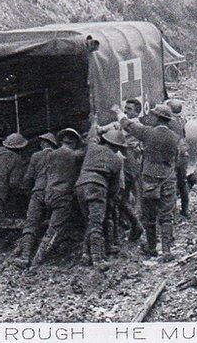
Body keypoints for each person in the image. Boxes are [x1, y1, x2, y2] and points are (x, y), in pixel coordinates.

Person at [112, 103, 180, 262]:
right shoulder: (174, 137)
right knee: (166, 215)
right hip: (168, 178)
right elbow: (176, 158)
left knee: (149, 215)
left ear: (157, 117)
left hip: (149, 178)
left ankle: (151, 247)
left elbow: (127, 125)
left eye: (154, 115)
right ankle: (167, 250)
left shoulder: (148, 133)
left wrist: (119, 112)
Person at [74, 129, 127, 271]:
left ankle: (86, 254)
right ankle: (98, 259)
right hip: (97, 187)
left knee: (90, 221)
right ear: (116, 146)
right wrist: (109, 200)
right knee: (96, 222)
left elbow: (91, 137)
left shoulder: (92, 147)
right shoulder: (116, 160)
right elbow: (114, 188)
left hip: (80, 186)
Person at [33, 128, 86, 265]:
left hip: (48, 194)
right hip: (62, 196)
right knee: (54, 230)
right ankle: (37, 261)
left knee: (51, 223)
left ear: (61, 141)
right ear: (74, 143)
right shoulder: (74, 155)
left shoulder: (51, 154)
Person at [96, 99, 144, 242]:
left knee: (124, 192)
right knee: (121, 194)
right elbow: (105, 128)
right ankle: (129, 222)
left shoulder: (137, 125)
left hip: (130, 160)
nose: (127, 111)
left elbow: (123, 127)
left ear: (136, 111)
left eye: (130, 109)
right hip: (123, 160)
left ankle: (133, 223)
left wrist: (118, 113)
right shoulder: (122, 124)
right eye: (126, 108)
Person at [15, 132, 59, 268]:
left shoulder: (36, 156)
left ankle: (25, 257)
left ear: (44, 143)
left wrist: (25, 189)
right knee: (53, 224)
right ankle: (42, 258)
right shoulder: (60, 155)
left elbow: (28, 177)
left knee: (31, 223)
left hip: (38, 191)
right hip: (54, 192)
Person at [164, 99, 191, 217]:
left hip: (174, 155)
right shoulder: (183, 120)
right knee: (182, 182)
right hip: (184, 154)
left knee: (171, 183)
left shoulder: (169, 122)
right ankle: (185, 210)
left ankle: (172, 211)